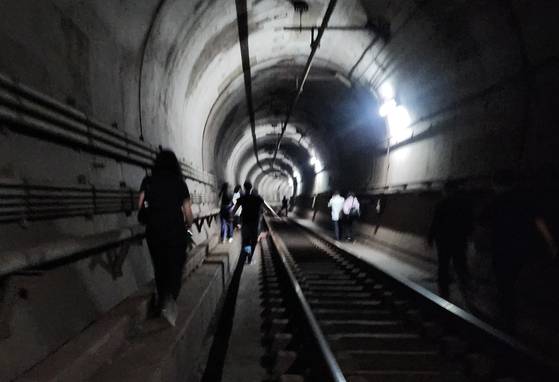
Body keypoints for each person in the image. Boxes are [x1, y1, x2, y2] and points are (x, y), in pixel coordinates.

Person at [482, 171, 557, 330]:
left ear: (496, 185)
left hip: (501, 247)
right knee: (516, 279)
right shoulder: (526, 199)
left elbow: (483, 223)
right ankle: (515, 313)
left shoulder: (496, 201)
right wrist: (551, 244)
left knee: (503, 282)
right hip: (523, 247)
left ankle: (506, 315)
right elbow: (539, 222)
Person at [138, 150, 193, 326]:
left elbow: (140, 206)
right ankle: (170, 301)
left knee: (160, 268)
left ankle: (164, 300)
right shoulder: (179, 183)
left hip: (154, 232)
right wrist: (189, 225)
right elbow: (188, 213)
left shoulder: (147, 181)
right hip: (175, 231)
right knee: (176, 268)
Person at [427, 182, 473, 298]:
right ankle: (466, 289)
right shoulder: (464, 204)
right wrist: (468, 235)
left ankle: (444, 292)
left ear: (446, 191)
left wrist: (430, 238)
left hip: (444, 240)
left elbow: (435, 222)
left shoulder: (441, 204)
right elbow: (469, 222)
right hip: (459, 240)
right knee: (461, 264)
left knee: (443, 265)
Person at [233, 181, 264, 264]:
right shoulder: (258, 198)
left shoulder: (242, 198)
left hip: (245, 223)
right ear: (251, 188)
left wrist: (231, 218)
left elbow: (234, 210)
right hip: (255, 223)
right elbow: (263, 208)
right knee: (254, 241)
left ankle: (248, 254)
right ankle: (250, 258)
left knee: (246, 241)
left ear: (244, 187)